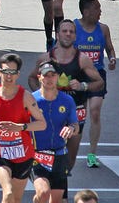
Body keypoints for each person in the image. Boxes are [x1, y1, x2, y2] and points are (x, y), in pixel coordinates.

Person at [29, 20, 102, 171]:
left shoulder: (82, 59)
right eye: (64, 31)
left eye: (71, 32)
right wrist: (40, 96)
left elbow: (99, 82)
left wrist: (83, 86)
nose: (68, 34)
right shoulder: (45, 58)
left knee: (69, 161)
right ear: (57, 34)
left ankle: (62, 182)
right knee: (47, 152)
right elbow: (31, 77)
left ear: (75, 36)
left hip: (75, 111)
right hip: (51, 110)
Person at [0, 53, 46, 203]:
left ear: (17, 75)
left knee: (15, 199)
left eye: (12, 73)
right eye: (5, 72)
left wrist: (20, 127)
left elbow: (42, 124)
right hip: (0, 152)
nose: (8, 76)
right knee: (8, 192)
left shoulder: (26, 97)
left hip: (23, 154)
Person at [74, 0, 116, 168]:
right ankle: (72, 146)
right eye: (97, 8)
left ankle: (92, 152)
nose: (100, 11)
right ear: (86, 11)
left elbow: (110, 48)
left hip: (97, 74)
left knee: (95, 111)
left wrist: (112, 58)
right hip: (78, 74)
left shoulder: (103, 29)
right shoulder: (74, 28)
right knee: (79, 114)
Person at [30, 63, 79, 203]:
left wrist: (71, 129)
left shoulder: (67, 100)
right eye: (46, 75)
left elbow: (75, 125)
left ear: (57, 77)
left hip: (59, 155)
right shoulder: (31, 100)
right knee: (43, 192)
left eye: (53, 75)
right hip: (37, 155)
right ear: (39, 77)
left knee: (56, 200)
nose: (49, 79)